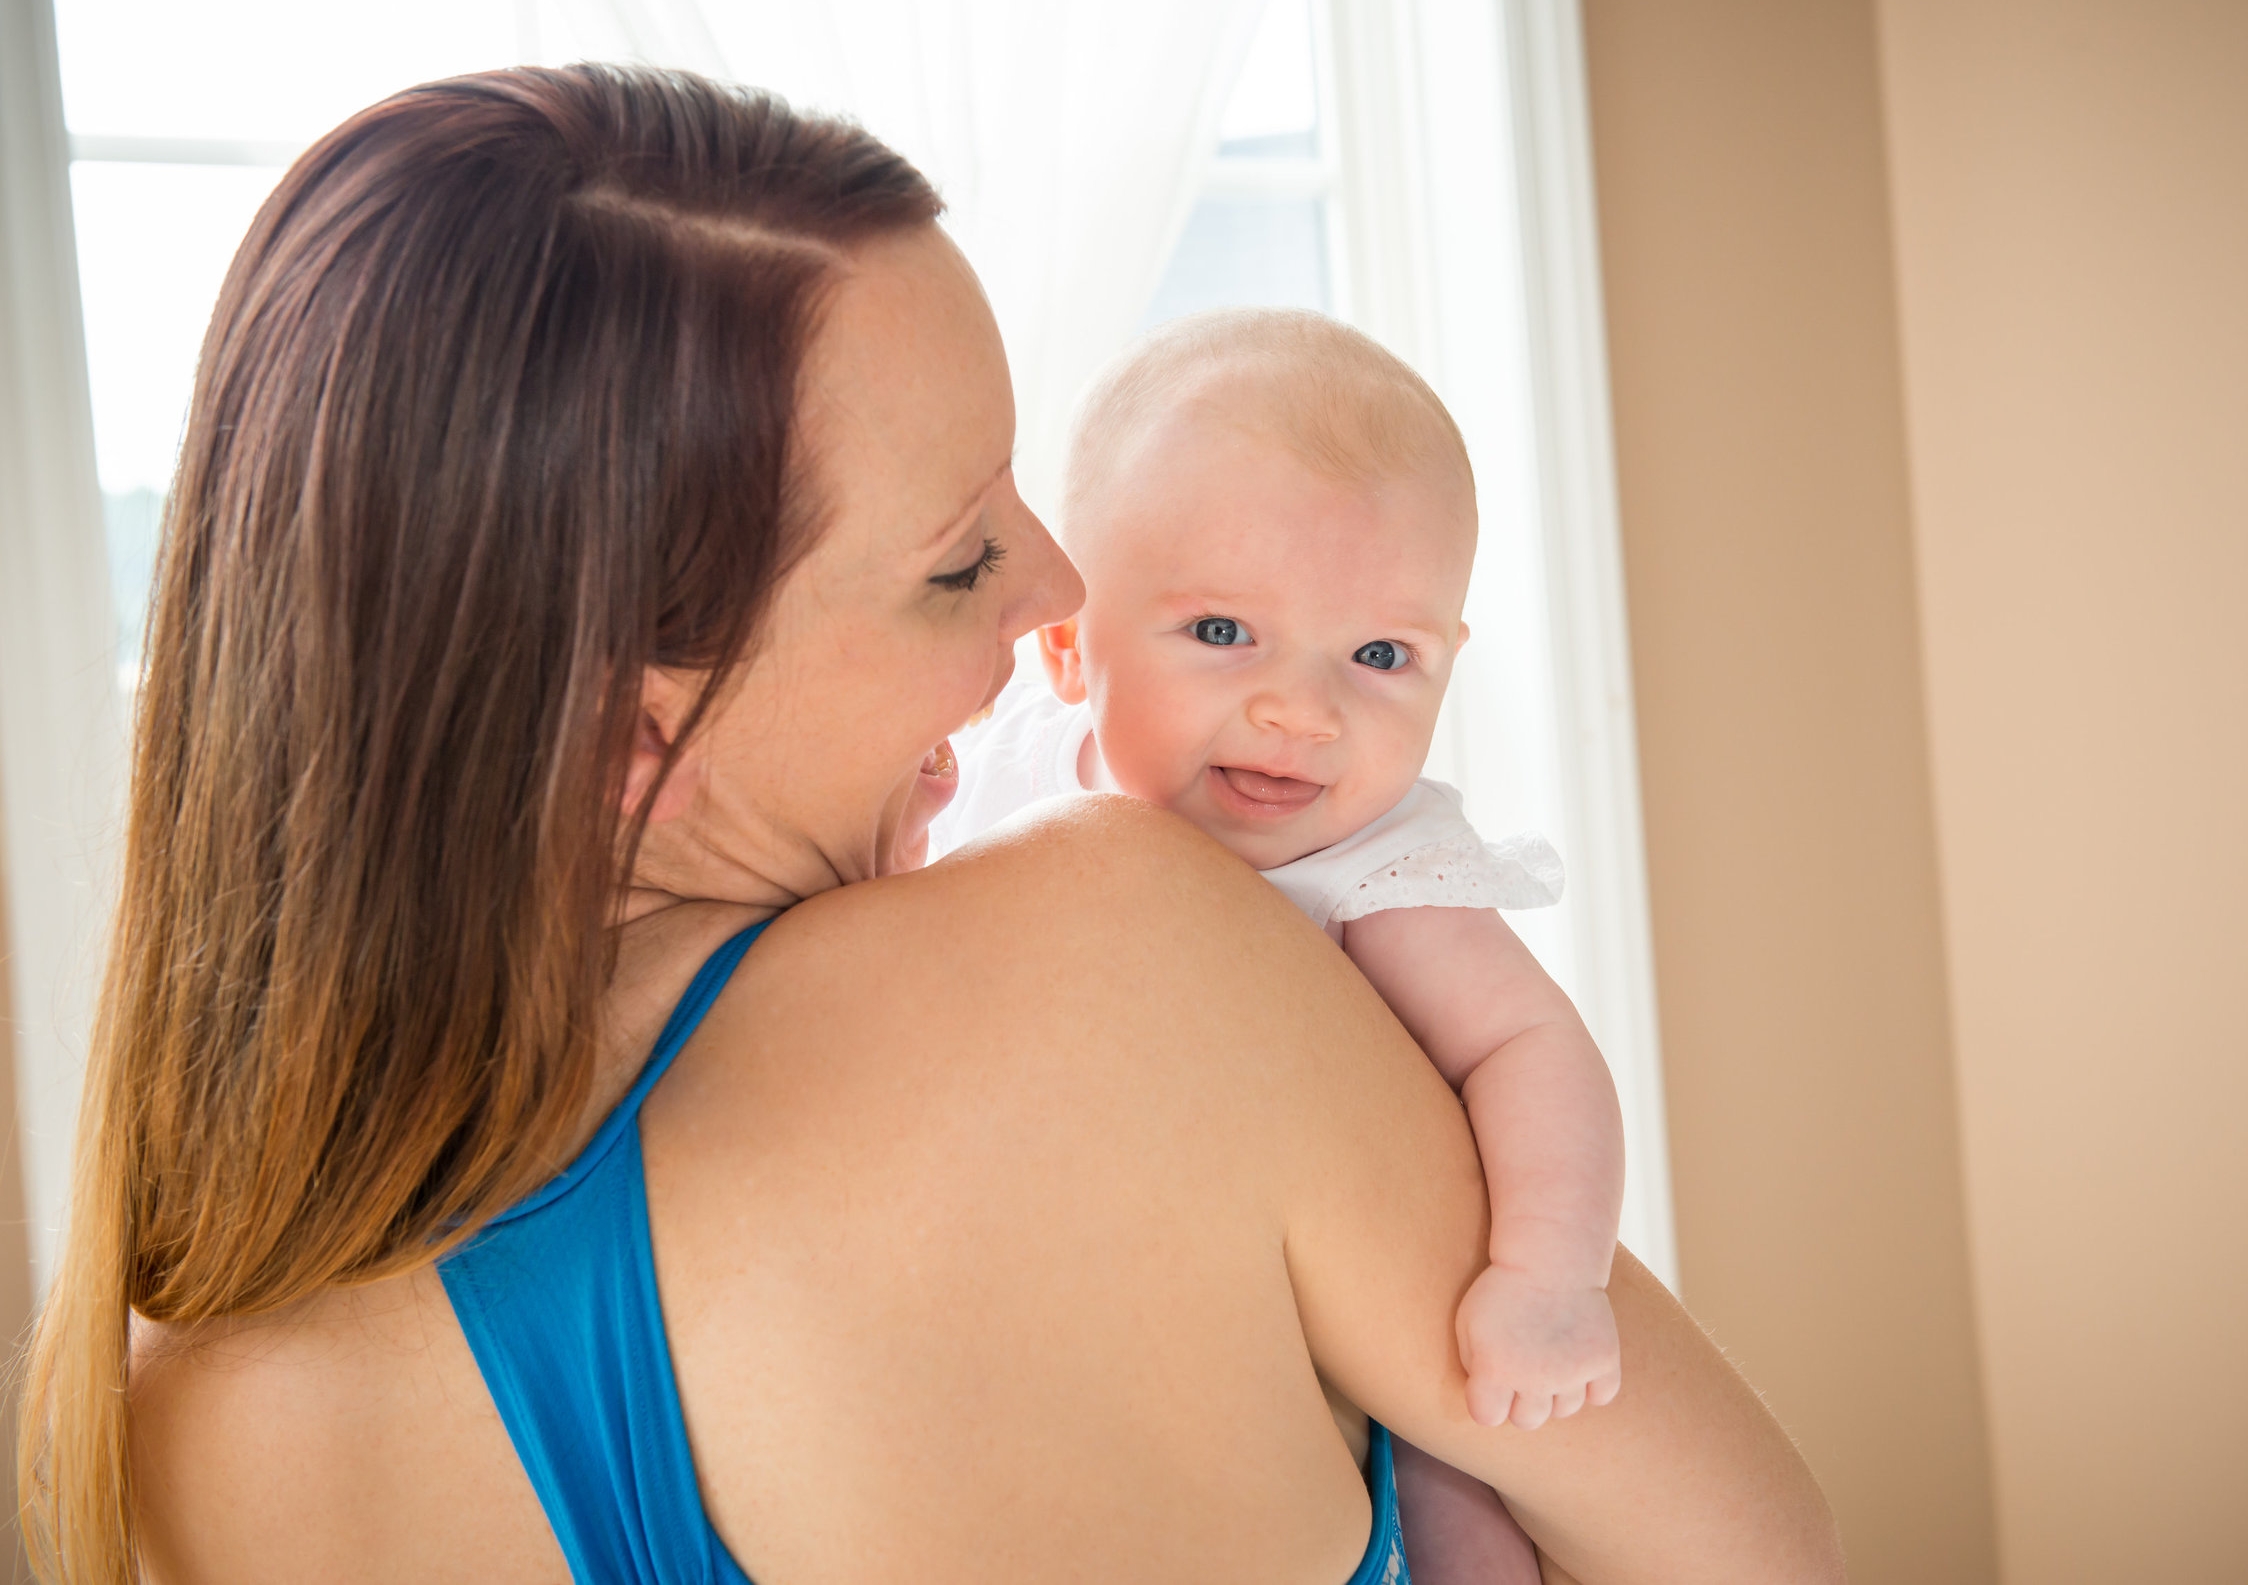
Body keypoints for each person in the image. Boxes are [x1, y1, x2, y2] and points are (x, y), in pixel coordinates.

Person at [17, 64, 1844, 1585]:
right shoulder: (1118, 957)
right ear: (626, 735)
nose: (1056, 582)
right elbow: (1756, 1557)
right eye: (958, 558)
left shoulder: (159, 1414)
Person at [928, 307, 1624, 1585]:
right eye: (1221, 633)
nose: (1302, 711)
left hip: (1328, 1303)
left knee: (1460, 1463)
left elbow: (1530, 1043)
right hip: (1064, 1276)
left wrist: (1545, 1278)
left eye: (1378, 655)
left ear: (1446, 664)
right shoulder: (1000, 776)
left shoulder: (1373, 867)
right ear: (1068, 647)